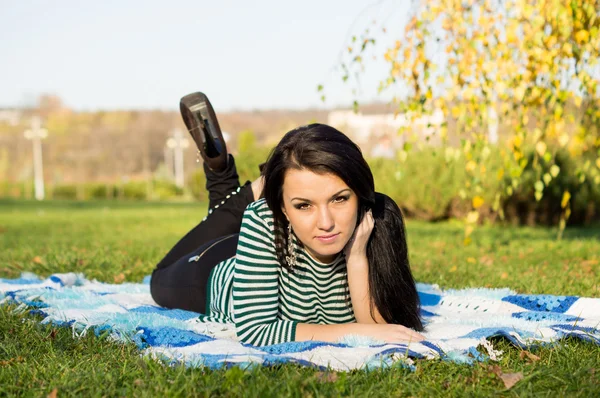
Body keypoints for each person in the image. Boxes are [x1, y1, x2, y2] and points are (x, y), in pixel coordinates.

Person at [150, 92, 424, 346]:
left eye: (340, 199)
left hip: (278, 240)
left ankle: (261, 185)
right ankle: (232, 178)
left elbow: (377, 329)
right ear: (282, 209)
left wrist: (356, 258)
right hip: (211, 274)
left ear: (360, 194)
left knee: (258, 215)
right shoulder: (263, 220)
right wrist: (353, 331)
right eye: (304, 205)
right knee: (158, 279)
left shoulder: (374, 222)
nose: (326, 222)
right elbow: (256, 331)